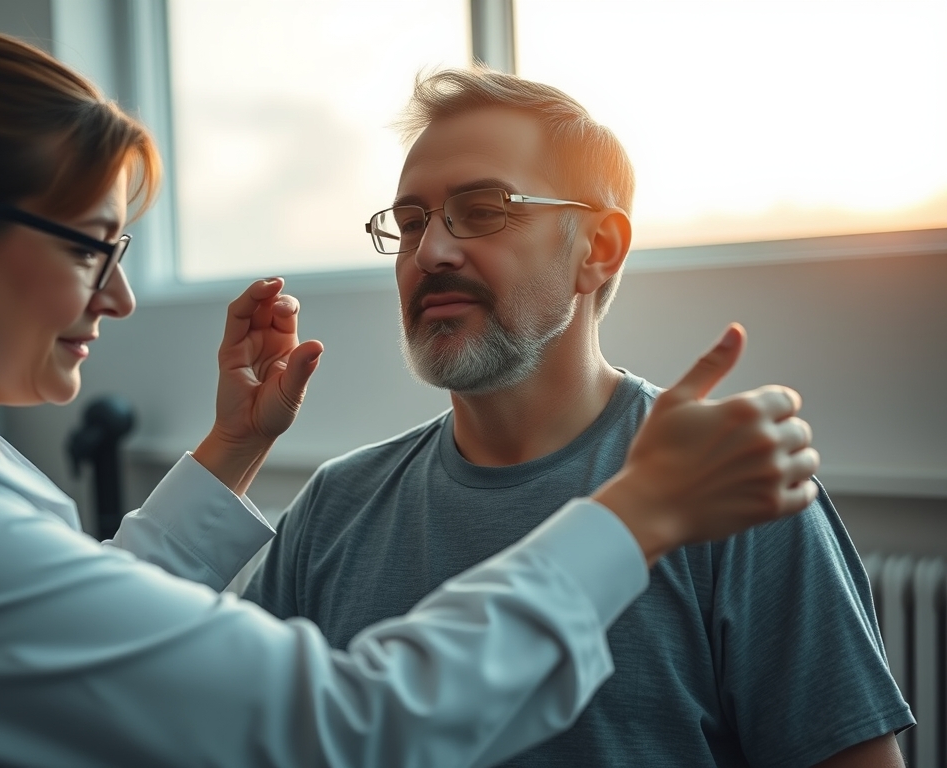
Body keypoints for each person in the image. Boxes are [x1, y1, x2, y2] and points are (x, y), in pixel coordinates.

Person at [0, 3, 820, 766]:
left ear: (601, 250)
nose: (117, 301)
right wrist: (635, 518)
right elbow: (346, 727)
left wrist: (228, 451)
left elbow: (64, 635)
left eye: (486, 213)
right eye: (92, 246)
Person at [244, 67, 914, 767]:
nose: (430, 252)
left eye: (483, 209)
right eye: (410, 223)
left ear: (598, 250)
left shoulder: (728, 489)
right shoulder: (335, 508)